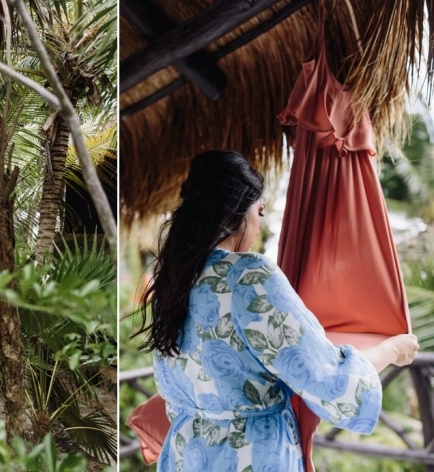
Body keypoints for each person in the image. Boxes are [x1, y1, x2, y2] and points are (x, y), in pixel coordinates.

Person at [136, 150, 418, 471]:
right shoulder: (249, 275)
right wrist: (391, 349)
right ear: (238, 213)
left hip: (187, 454)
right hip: (252, 456)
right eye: (260, 210)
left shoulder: (173, 279)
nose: (259, 225)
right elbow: (329, 380)